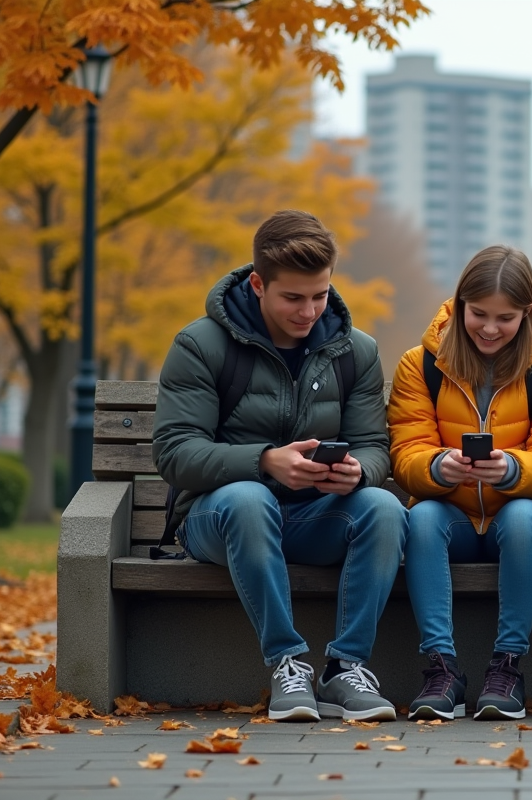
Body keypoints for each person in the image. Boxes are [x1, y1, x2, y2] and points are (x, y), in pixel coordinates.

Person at [152, 210, 407, 722]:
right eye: (293, 297)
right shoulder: (201, 344)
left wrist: (360, 472)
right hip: (220, 520)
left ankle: (345, 669)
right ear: (257, 283)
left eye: (319, 295)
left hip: (316, 517)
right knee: (251, 498)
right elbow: (175, 452)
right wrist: (265, 462)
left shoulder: (356, 352)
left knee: (382, 507)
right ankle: (288, 664)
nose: (309, 311)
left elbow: (376, 446)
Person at [388, 245, 532, 721]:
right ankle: (441, 668)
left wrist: (512, 470)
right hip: (451, 515)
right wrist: (438, 467)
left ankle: (507, 666)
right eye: (478, 314)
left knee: (519, 517)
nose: (491, 329)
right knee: (422, 514)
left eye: (506, 317)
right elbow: (406, 452)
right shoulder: (420, 365)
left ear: (529, 313)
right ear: (458, 306)